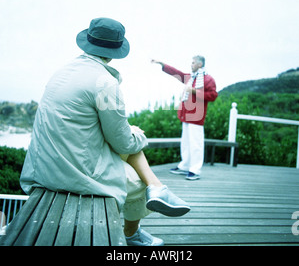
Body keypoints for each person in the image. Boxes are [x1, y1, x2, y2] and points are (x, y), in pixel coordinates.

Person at [20, 17, 190, 246]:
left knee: (130, 138)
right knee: (139, 180)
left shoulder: (60, 73)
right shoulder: (105, 82)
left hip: (44, 166)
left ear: (87, 42)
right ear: (114, 51)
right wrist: (139, 135)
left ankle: (158, 188)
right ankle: (134, 231)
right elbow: (123, 144)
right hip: (73, 173)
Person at [151, 56, 218, 180]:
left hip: (196, 117)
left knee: (196, 144)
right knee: (186, 144)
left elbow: (213, 95)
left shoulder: (208, 79)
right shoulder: (191, 78)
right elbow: (177, 73)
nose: (191, 65)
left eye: (193, 63)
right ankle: (185, 166)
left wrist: (193, 91)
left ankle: (195, 170)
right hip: (186, 116)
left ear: (200, 64)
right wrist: (163, 64)